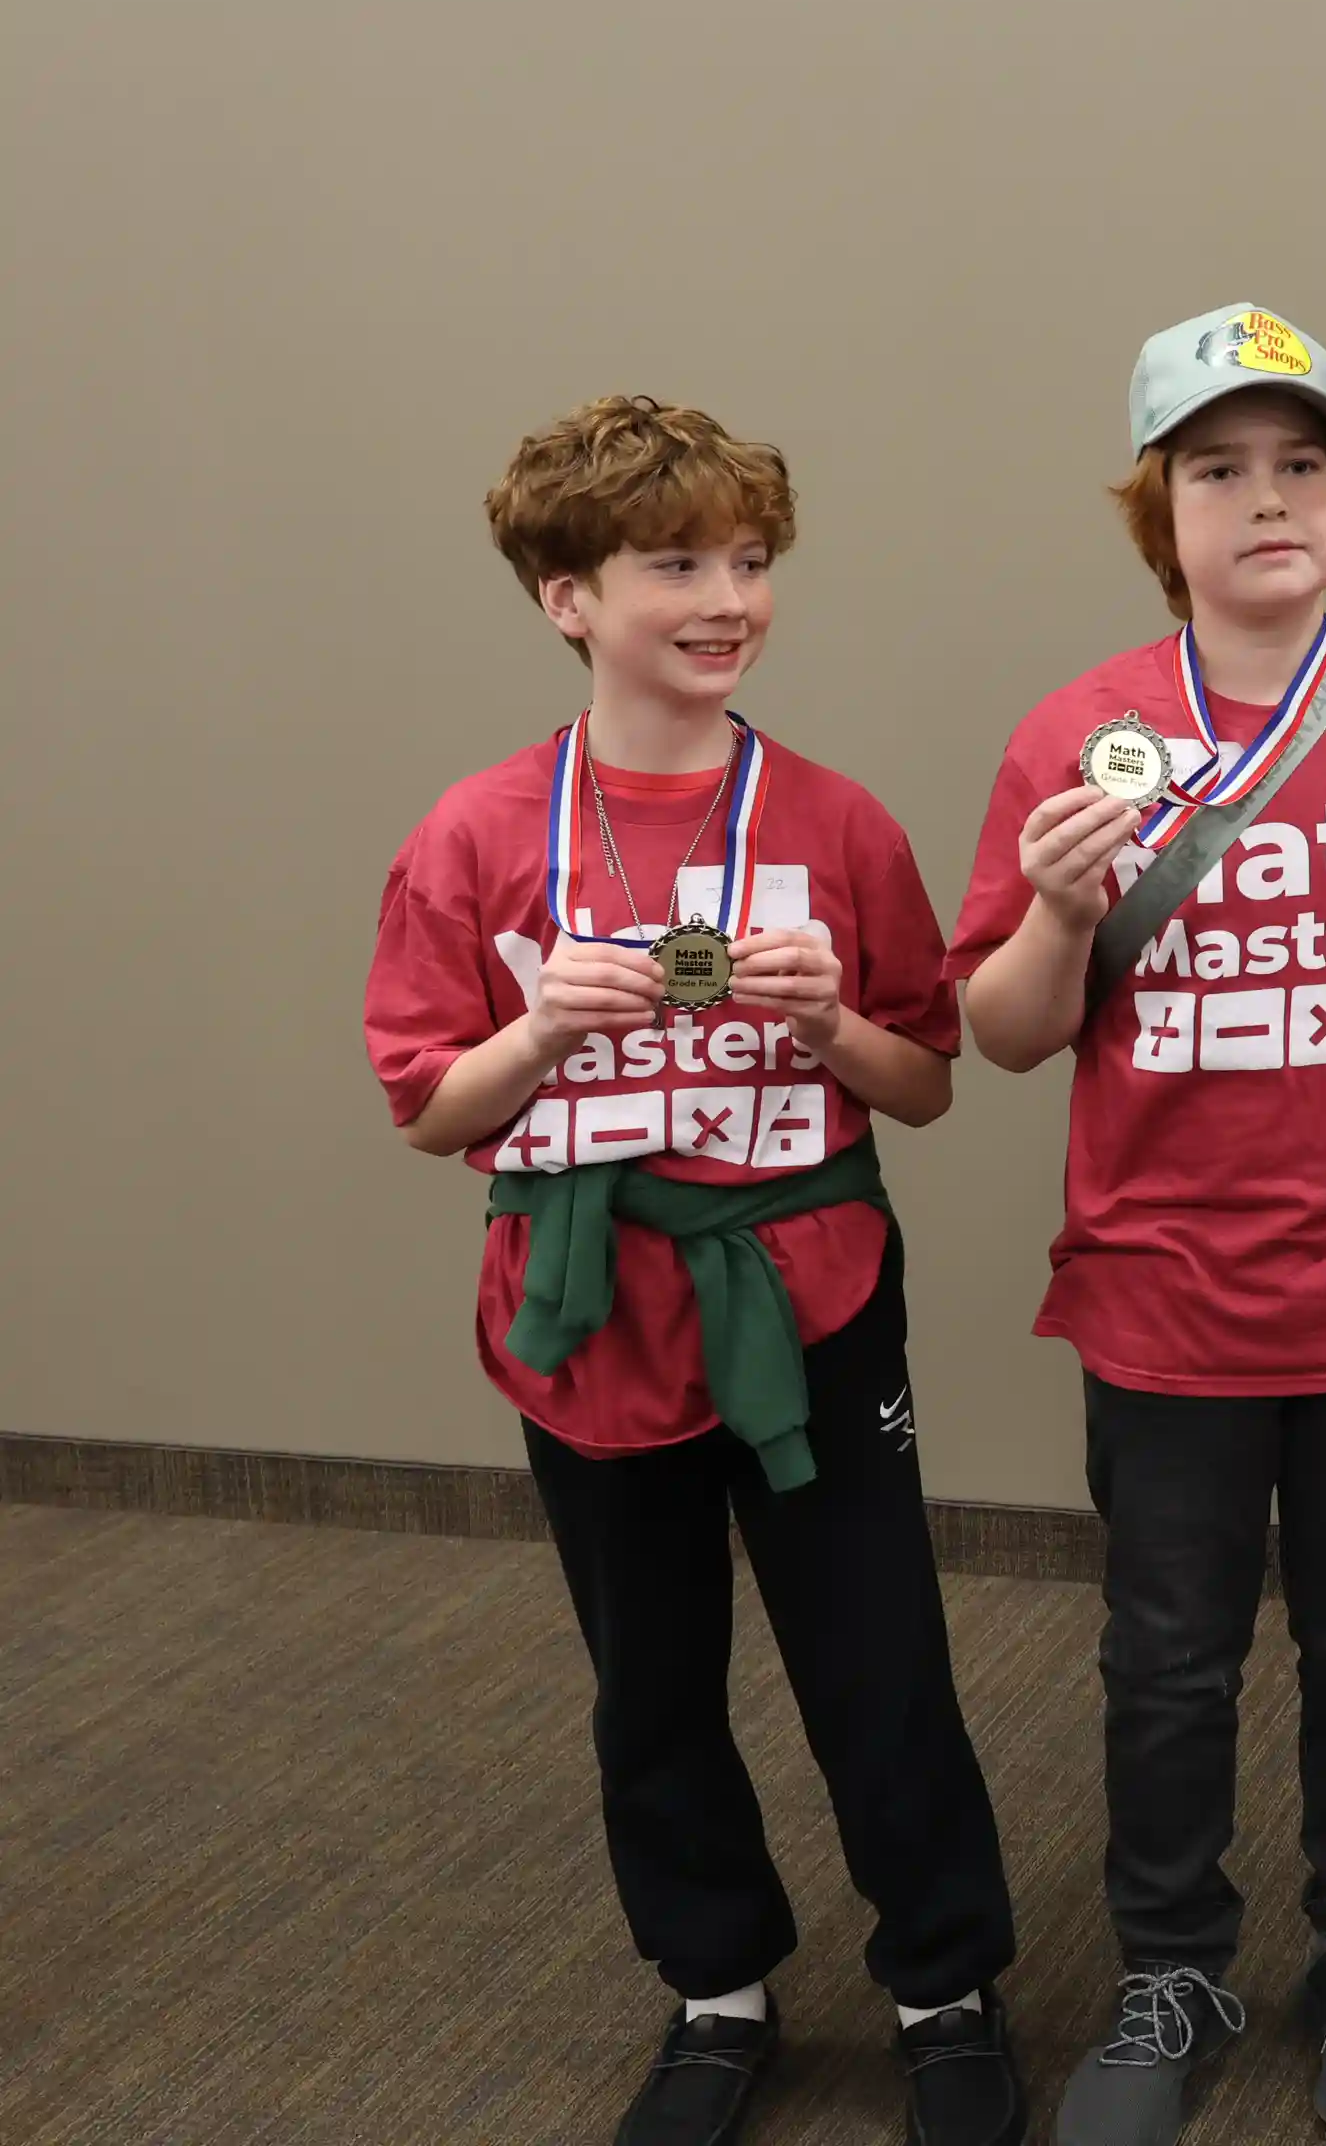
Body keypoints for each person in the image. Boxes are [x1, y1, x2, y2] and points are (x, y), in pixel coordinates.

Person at [363, 396, 1024, 2146]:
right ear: (567, 597)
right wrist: (538, 1033)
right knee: (647, 1673)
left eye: (750, 561)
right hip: (587, 1314)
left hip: (805, 1294)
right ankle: (715, 1988)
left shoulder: (835, 818)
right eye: (677, 565)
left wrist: (832, 1021)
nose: (728, 598)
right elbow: (434, 1108)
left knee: (878, 1660)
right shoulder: (480, 831)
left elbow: (932, 1080)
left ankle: (947, 1989)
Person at [949, 306, 1326, 2144]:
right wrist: (1047, 911)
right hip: (1164, 1292)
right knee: (1165, 1660)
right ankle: (1168, 1966)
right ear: (1158, 512)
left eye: (1299, 467)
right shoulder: (1078, 730)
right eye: (1217, 470)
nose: (1266, 501)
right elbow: (1010, 1034)